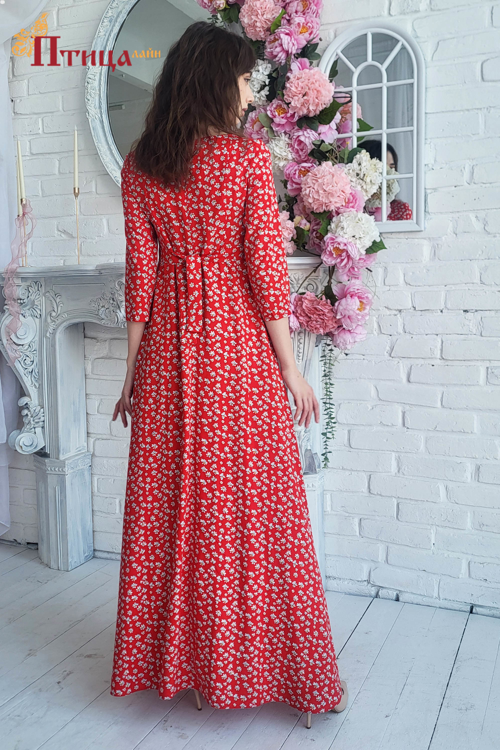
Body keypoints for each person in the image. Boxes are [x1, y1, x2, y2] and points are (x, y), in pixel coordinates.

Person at [109, 21, 347, 727]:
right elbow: (266, 276)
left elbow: (140, 282)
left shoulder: (140, 166)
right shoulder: (243, 160)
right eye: (244, 79)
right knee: (257, 509)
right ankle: (274, 668)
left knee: (173, 511)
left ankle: (186, 666)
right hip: (237, 353)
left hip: (166, 357)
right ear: (217, 80)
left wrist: (130, 374)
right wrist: (293, 368)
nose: (249, 92)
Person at [359, 139, 413, 221]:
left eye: (391, 167)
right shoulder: (351, 207)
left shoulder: (400, 210)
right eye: (382, 167)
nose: (388, 173)